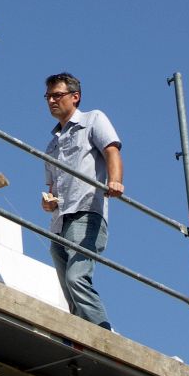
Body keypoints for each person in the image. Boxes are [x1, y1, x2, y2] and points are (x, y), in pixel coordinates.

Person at [40, 72, 123, 330]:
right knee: (68, 285)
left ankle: (105, 335)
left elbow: (111, 149)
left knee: (77, 278)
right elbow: (52, 186)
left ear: (75, 97)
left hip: (86, 211)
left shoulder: (92, 119)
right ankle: (81, 336)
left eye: (58, 95)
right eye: (48, 96)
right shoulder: (52, 146)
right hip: (59, 220)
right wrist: (49, 202)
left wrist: (115, 180)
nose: (52, 100)